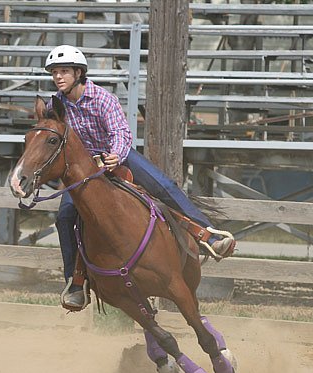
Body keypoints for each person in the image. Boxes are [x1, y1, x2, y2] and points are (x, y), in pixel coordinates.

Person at [43, 45, 236, 311]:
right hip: (83, 172)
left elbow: (121, 132)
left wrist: (115, 155)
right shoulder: (57, 104)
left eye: (63, 71)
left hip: (116, 157)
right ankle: (75, 281)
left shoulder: (102, 99)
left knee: (164, 186)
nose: (58, 77)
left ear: (79, 73)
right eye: (54, 72)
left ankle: (208, 236)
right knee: (65, 217)